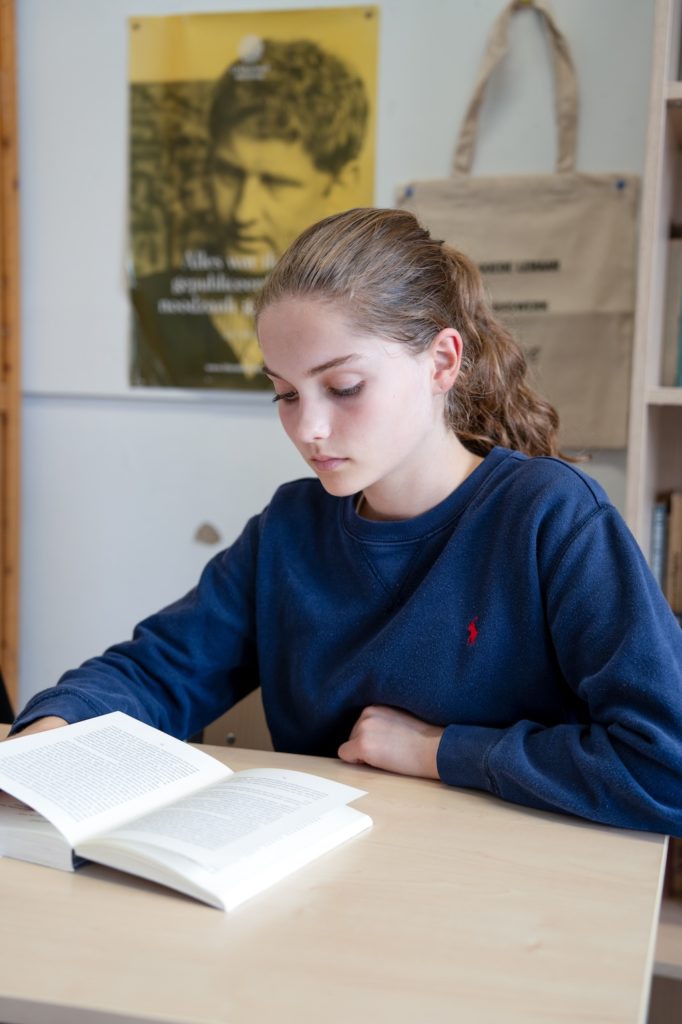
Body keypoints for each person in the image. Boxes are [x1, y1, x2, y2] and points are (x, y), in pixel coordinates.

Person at [12, 207, 682, 836]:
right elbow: (158, 672)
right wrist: (45, 743)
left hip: (505, 885)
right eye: (284, 393)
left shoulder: (551, 516)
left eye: (344, 387)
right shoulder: (289, 528)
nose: (309, 428)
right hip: (320, 874)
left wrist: (438, 751)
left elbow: (665, 767)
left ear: (442, 362)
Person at [131, 39, 369, 389]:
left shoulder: (368, 321)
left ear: (340, 183)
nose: (243, 213)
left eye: (276, 183)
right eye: (228, 174)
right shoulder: (147, 306)